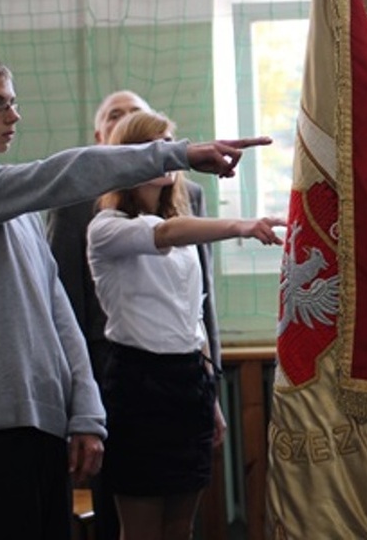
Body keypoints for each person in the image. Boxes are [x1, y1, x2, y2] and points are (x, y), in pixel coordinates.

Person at [0, 52, 269, 540]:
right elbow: (56, 174)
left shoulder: (18, 210)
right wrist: (176, 153)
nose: (13, 116)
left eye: (12, 102)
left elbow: (59, 312)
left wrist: (85, 412)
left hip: (45, 419)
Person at [86, 110, 283, 540]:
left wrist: (210, 395)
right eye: (154, 147)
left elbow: (192, 315)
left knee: (180, 527)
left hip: (188, 380)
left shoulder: (183, 229)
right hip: (138, 384)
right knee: (141, 529)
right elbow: (164, 233)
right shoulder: (107, 227)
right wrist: (242, 225)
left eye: (171, 144)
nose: (168, 155)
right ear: (129, 159)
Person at [46, 90, 221, 540]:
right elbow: (63, 304)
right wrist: (79, 402)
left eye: (139, 117)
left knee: (179, 522)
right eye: (116, 116)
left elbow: (199, 303)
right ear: (103, 139)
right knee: (125, 520)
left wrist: (211, 383)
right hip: (117, 380)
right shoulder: (79, 204)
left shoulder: (187, 195)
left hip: (186, 379)